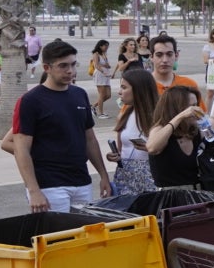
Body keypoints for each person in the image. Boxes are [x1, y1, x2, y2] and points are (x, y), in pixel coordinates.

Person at [11, 40, 113, 212]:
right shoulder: (30, 101)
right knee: (57, 230)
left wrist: (103, 175)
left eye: (73, 64)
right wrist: (34, 190)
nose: (70, 71)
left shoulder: (80, 94)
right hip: (49, 186)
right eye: (63, 66)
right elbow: (21, 149)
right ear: (47, 68)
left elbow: (90, 140)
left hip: (82, 182)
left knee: (84, 229)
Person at [108, 68, 159, 198]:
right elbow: (121, 150)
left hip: (150, 177)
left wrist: (150, 148)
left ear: (139, 89)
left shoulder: (159, 117)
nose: (119, 92)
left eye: (124, 87)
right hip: (125, 176)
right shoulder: (125, 114)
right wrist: (114, 156)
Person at [89, 39, 114, 117]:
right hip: (100, 75)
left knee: (108, 95)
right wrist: (103, 71)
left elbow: (104, 64)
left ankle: (93, 106)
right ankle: (101, 113)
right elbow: (96, 65)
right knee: (102, 94)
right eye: (105, 46)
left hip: (106, 75)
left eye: (107, 46)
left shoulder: (104, 53)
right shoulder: (96, 54)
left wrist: (107, 66)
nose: (107, 47)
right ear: (100, 46)